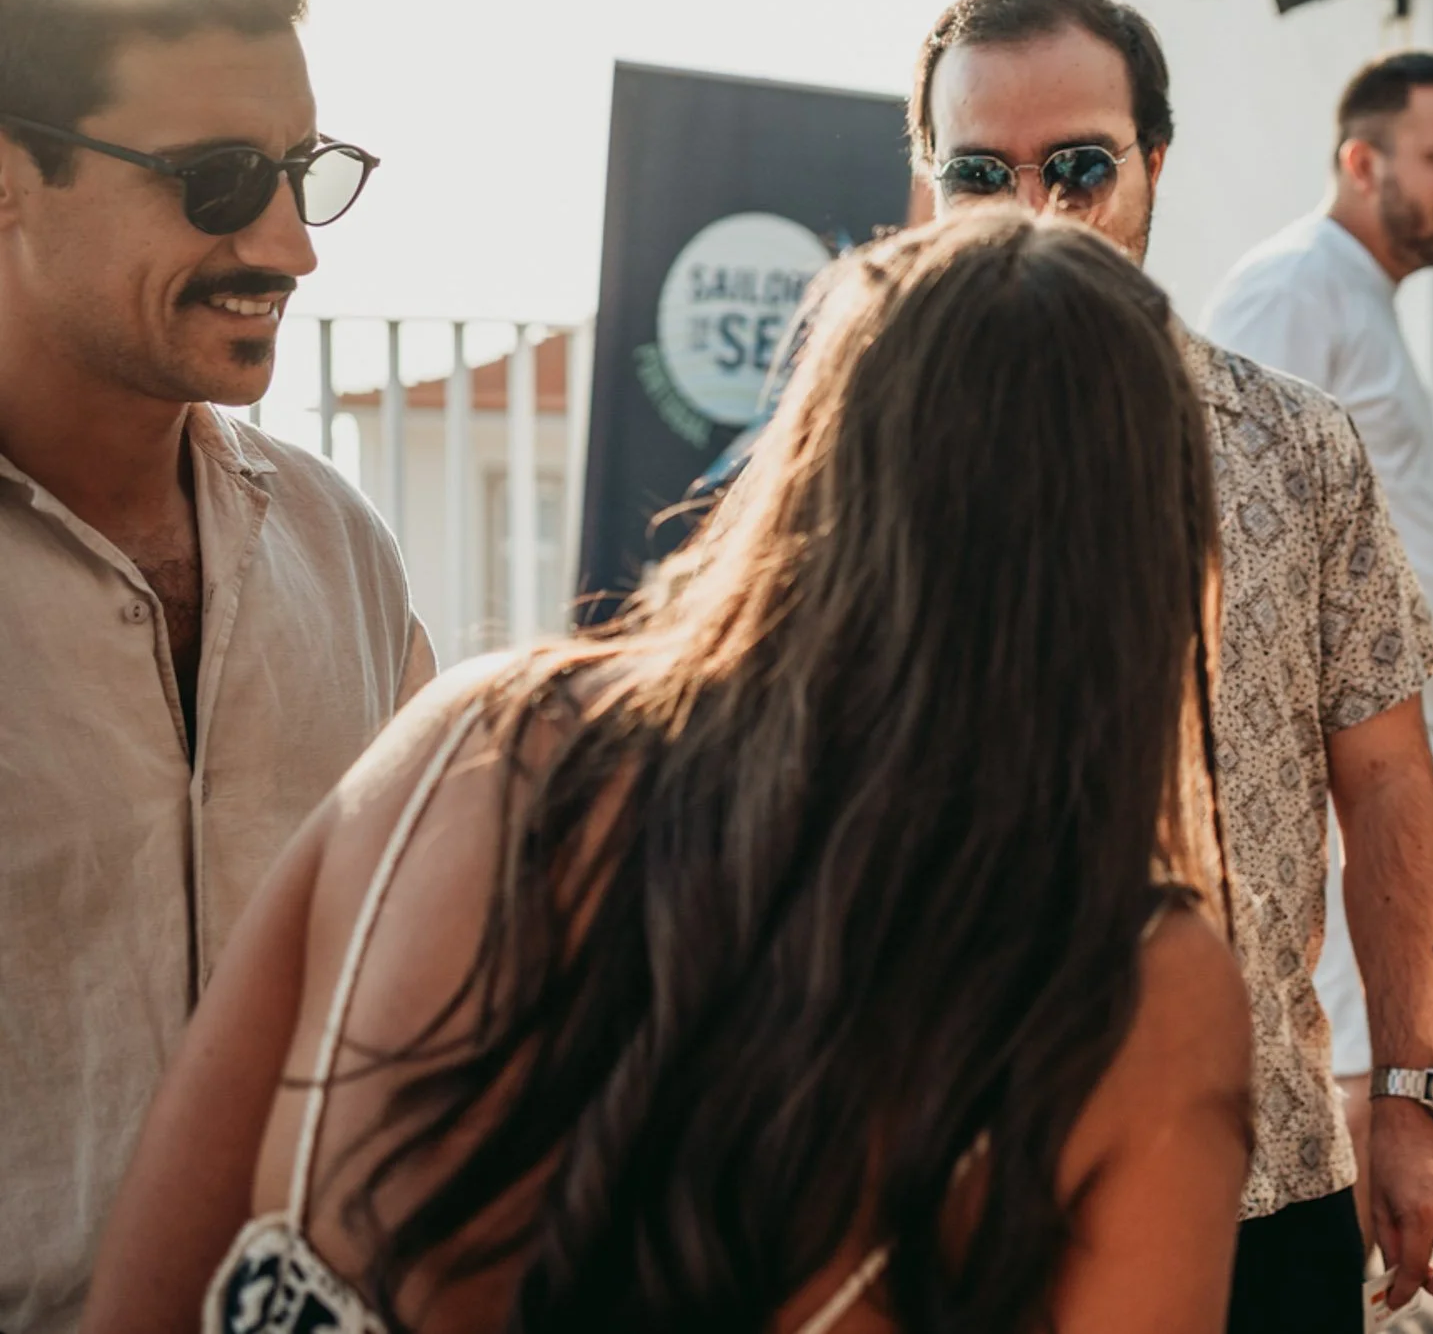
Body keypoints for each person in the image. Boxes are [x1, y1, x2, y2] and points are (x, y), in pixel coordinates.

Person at [85, 212, 1258, 1332]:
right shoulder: (1128, 989)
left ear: (806, 462)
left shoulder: (463, 739)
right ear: (1148, 564)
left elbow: (143, 1297)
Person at [911, 0, 1433, 1328]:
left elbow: (1391, 785)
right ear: (927, 180)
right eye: (980, 172)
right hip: (941, 1179)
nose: (1035, 209)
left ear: (1153, 163)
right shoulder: (847, 459)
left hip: (1262, 1176)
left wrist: (1412, 1101)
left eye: (1078, 166)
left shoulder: (1295, 445)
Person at [0, 0, 427, 1334]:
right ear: (7, 176)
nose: (292, 245)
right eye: (219, 181)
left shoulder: (341, 546)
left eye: (304, 170)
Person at [1201, 50, 1433, 1225]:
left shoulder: (1352, 294)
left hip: (1383, 751)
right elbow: (1235, 525)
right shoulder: (1298, 283)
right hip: (1337, 782)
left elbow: (1317, 527)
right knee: (1344, 1051)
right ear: (1361, 161)